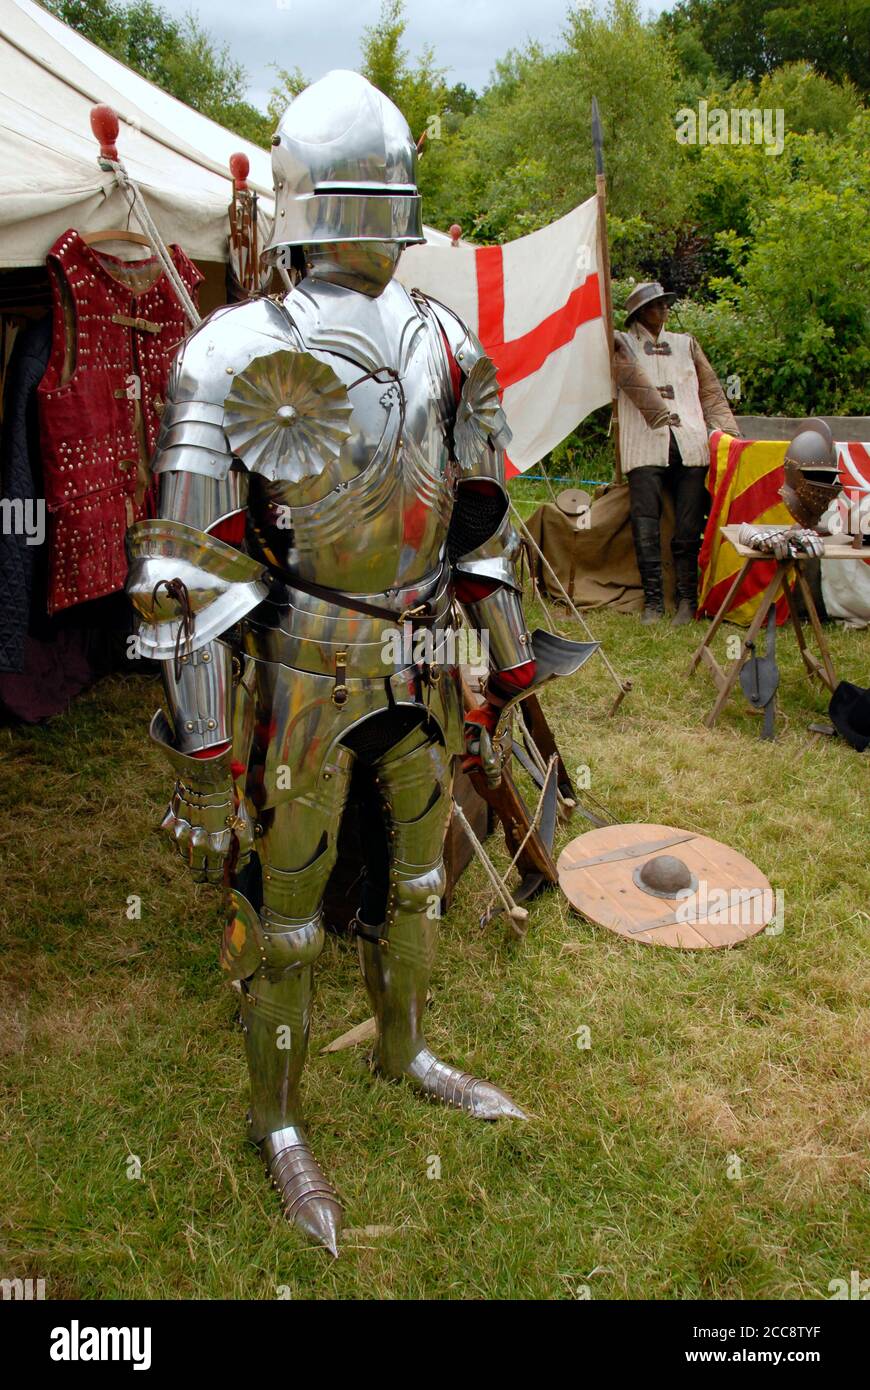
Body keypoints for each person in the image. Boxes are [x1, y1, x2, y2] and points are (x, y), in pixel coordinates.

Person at [124, 71, 584, 1255]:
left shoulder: (444, 342)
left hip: (426, 655)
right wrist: (203, 741)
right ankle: (279, 1122)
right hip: (303, 665)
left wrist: (509, 659)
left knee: (422, 884)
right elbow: (185, 571)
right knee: (284, 920)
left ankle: (407, 1047)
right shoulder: (229, 353)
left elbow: (479, 527)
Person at [614, 281, 739, 624]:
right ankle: (653, 601)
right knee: (645, 524)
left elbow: (712, 392)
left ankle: (687, 597)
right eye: (657, 305)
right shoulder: (620, 344)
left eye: (666, 305)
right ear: (640, 313)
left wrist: (728, 435)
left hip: (690, 441)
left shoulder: (686, 345)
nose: (664, 311)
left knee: (688, 526)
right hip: (644, 442)